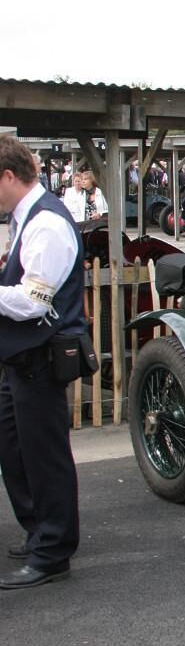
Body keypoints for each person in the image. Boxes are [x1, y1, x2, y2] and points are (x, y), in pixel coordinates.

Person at [0, 137, 87, 589]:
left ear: (8, 176)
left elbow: (34, 302)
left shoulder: (47, 223)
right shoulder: (29, 218)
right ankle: (40, 530)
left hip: (39, 354)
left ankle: (53, 550)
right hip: (22, 354)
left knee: (44, 455)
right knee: (15, 448)